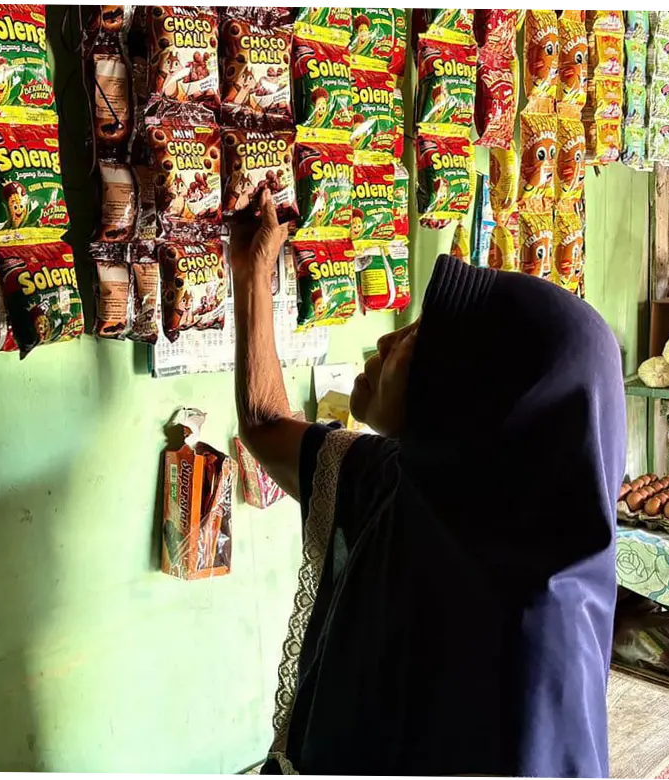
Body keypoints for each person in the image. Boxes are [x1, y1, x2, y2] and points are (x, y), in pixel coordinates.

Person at [232, 191, 625, 778]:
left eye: (419, 338)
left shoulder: (530, 662)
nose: (385, 342)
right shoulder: (411, 485)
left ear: (482, 396)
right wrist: (252, 273)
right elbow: (265, 424)